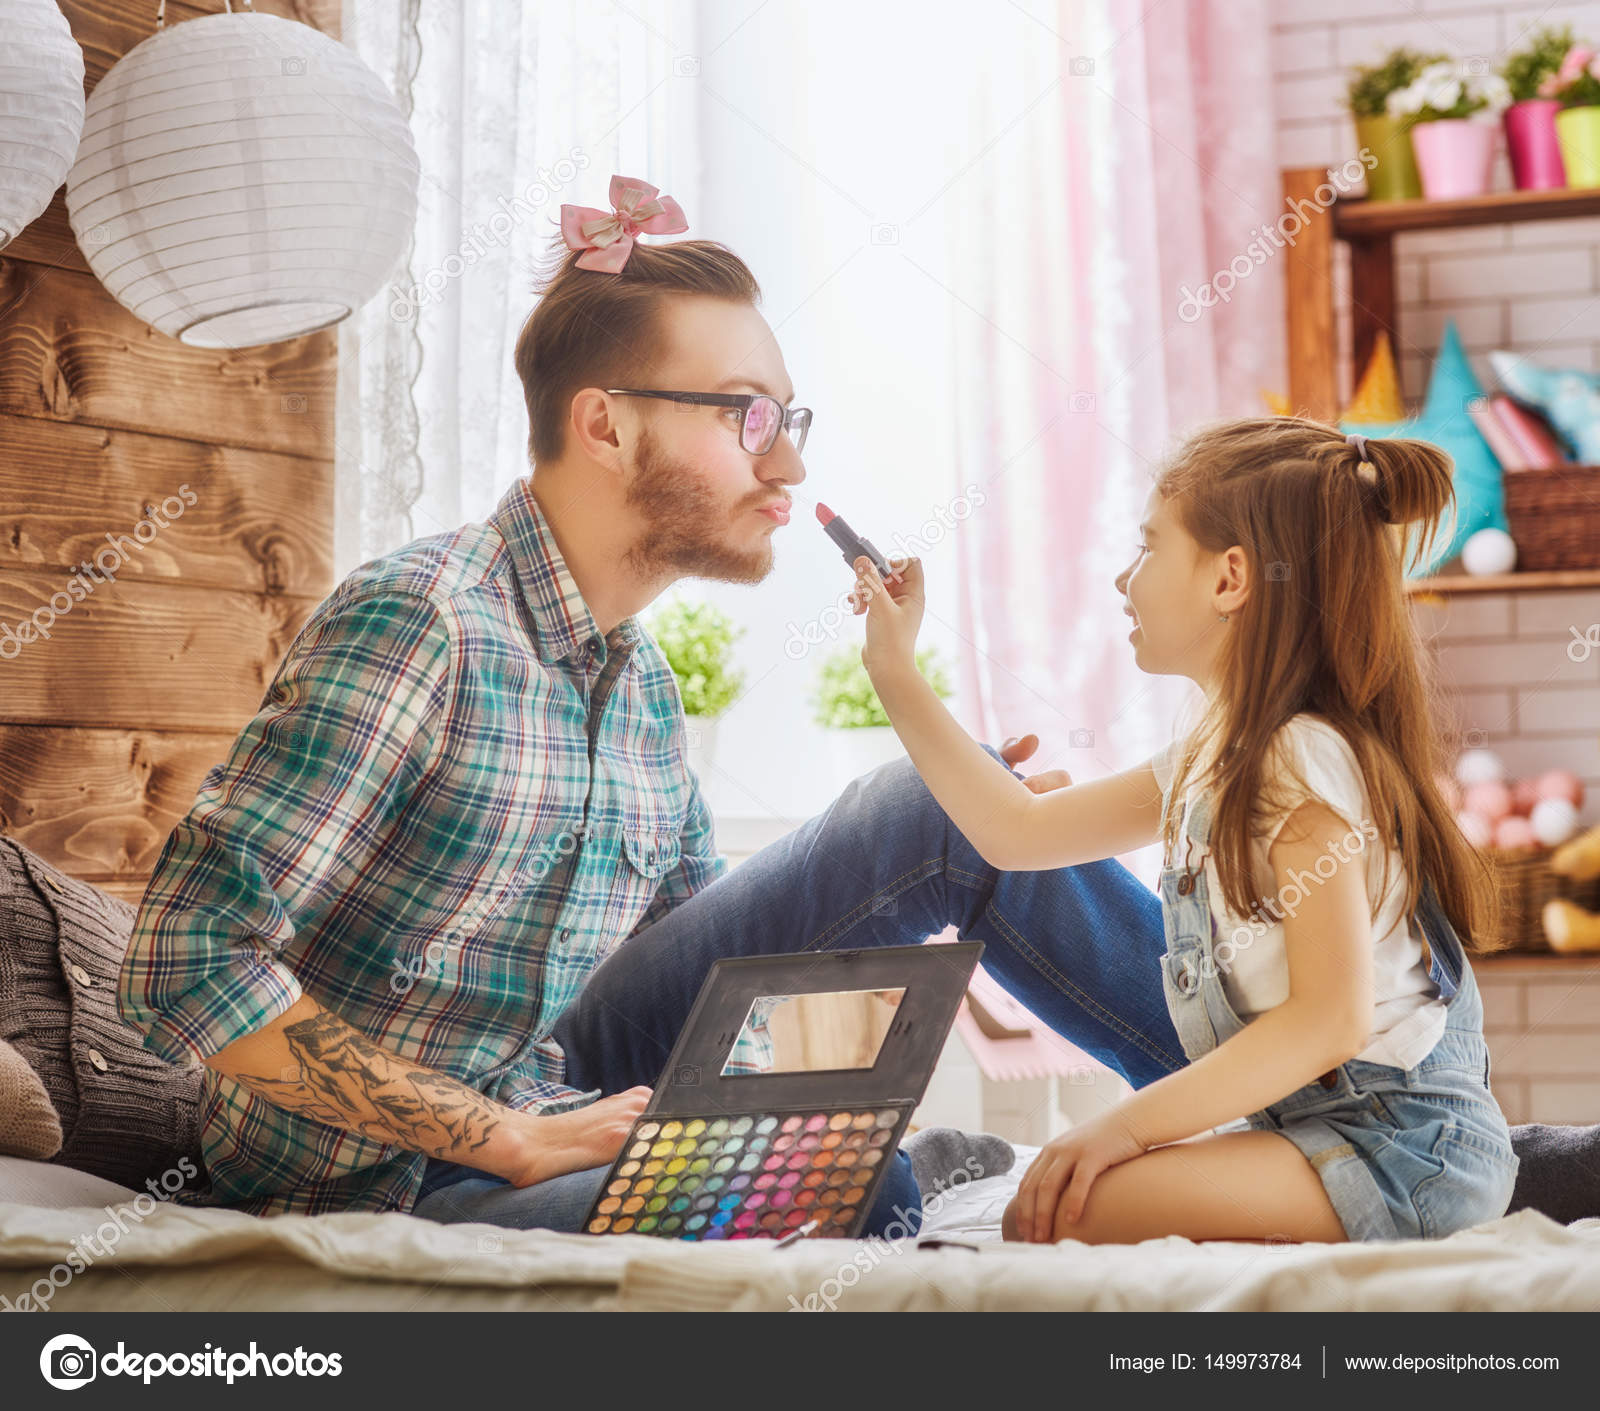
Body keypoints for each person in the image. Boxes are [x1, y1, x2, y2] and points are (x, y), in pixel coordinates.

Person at [118, 177, 1596, 1243]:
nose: (788, 463)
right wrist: (503, 1133)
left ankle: (1357, 1130)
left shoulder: (637, 683)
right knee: (866, 1193)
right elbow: (181, 961)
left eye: (792, 419)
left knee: (937, 819)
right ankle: (1323, 1153)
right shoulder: (424, 624)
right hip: (392, 1167)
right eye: (747, 416)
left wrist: (869, 1009)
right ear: (606, 423)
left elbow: (703, 973)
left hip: (565, 1069)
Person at [843, 416, 1531, 1244]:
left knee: (1056, 1212)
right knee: (1055, 1205)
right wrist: (893, 667)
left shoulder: (1297, 760)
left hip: (1400, 1153)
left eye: (1148, 547)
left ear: (1230, 578)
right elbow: (1014, 832)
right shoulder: (1215, 752)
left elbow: (1331, 1020)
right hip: (1310, 1129)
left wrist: (1122, 1129)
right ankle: (973, 1166)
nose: (1123, 577)